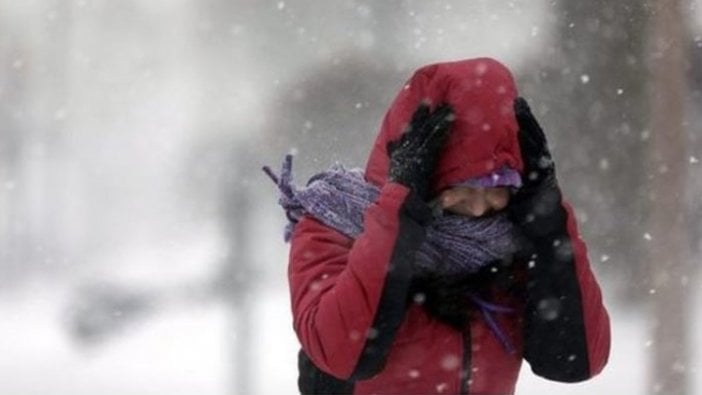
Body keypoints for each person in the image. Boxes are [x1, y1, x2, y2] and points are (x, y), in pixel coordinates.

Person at [264, 57, 610, 394]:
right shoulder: (334, 224)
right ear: (424, 176)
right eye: (458, 189)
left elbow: (574, 362)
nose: (478, 208)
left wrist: (550, 226)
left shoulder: (512, 243)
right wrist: (398, 216)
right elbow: (341, 353)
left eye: (496, 190)